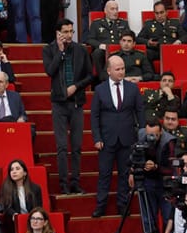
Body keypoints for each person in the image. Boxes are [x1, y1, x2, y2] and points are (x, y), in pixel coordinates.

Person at [43, 20, 91, 196]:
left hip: (77, 102)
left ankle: (75, 182)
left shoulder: (81, 50)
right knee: (62, 147)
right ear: (58, 33)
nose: (69, 35)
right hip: (59, 103)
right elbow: (50, 71)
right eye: (65, 32)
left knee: (76, 146)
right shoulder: (49, 50)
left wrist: (76, 87)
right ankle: (63, 184)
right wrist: (60, 51)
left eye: (71, 31)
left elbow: (89, 76)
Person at [93, 54, 142, 217]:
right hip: (106, 140)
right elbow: (95, 116)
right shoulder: (100, 90)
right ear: (109, 71)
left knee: (124, 174)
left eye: (123, 69)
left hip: (127, 139)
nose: (121, 72)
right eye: (118, 69)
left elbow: (140, 112)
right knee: (104, 174)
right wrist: (97, 138)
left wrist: (141, 136)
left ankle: (122, 205)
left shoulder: (132, 88)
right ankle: (100, 206)